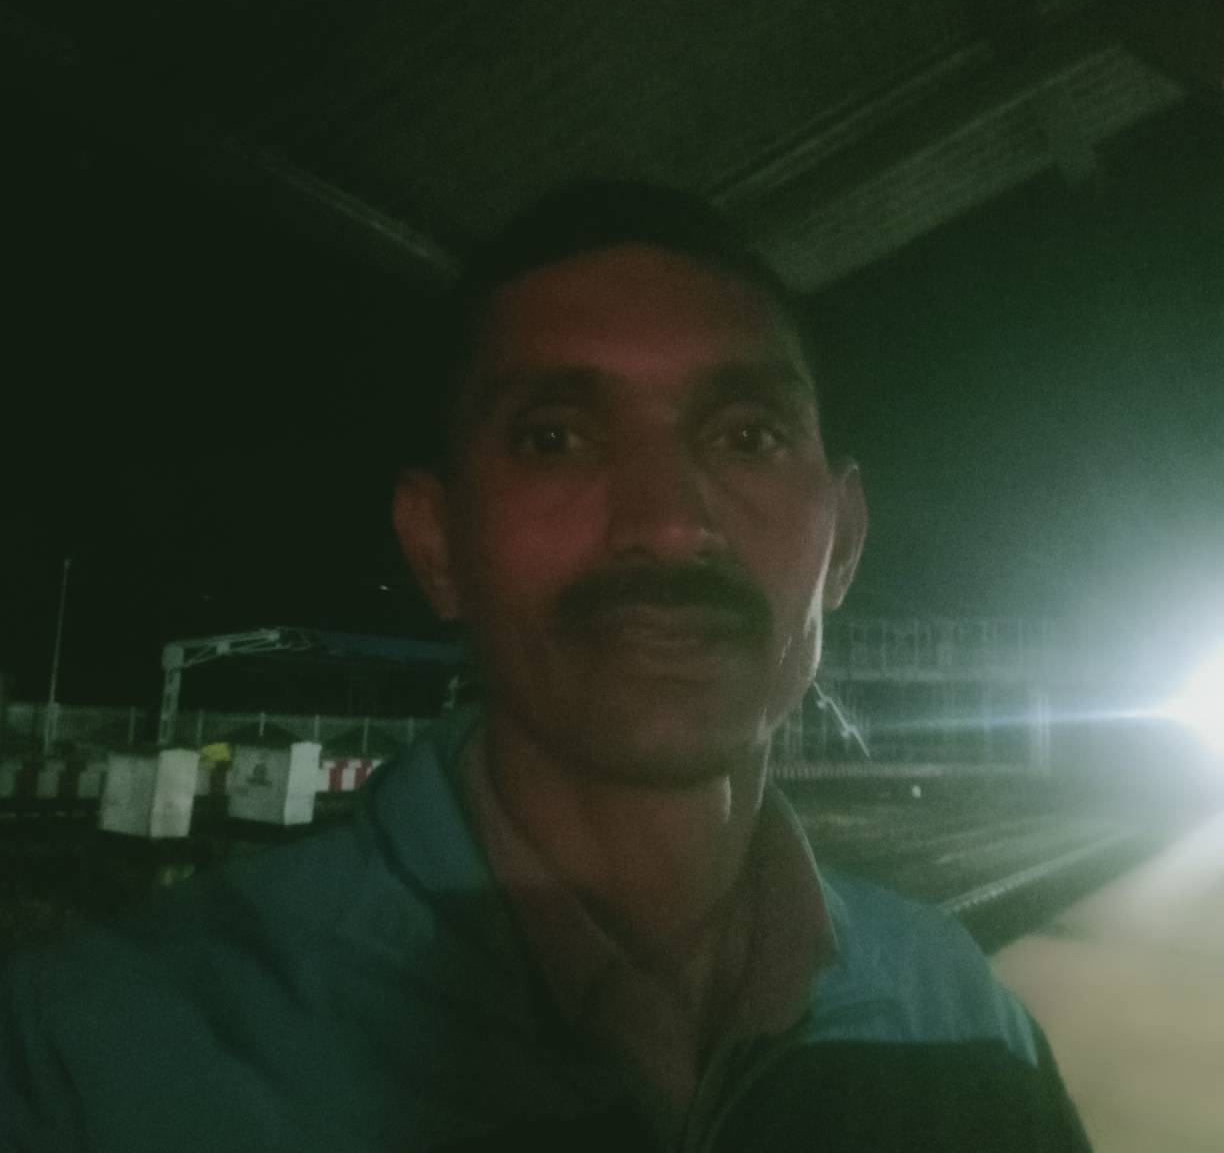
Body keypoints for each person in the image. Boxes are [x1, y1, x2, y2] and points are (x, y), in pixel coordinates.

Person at [0, 182, 1090, 1151]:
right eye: (554, 438)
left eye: (747, 436)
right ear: (438, 544)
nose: (668, 525)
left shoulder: (966, 1023)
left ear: (843, 542)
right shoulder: (92, 1072)